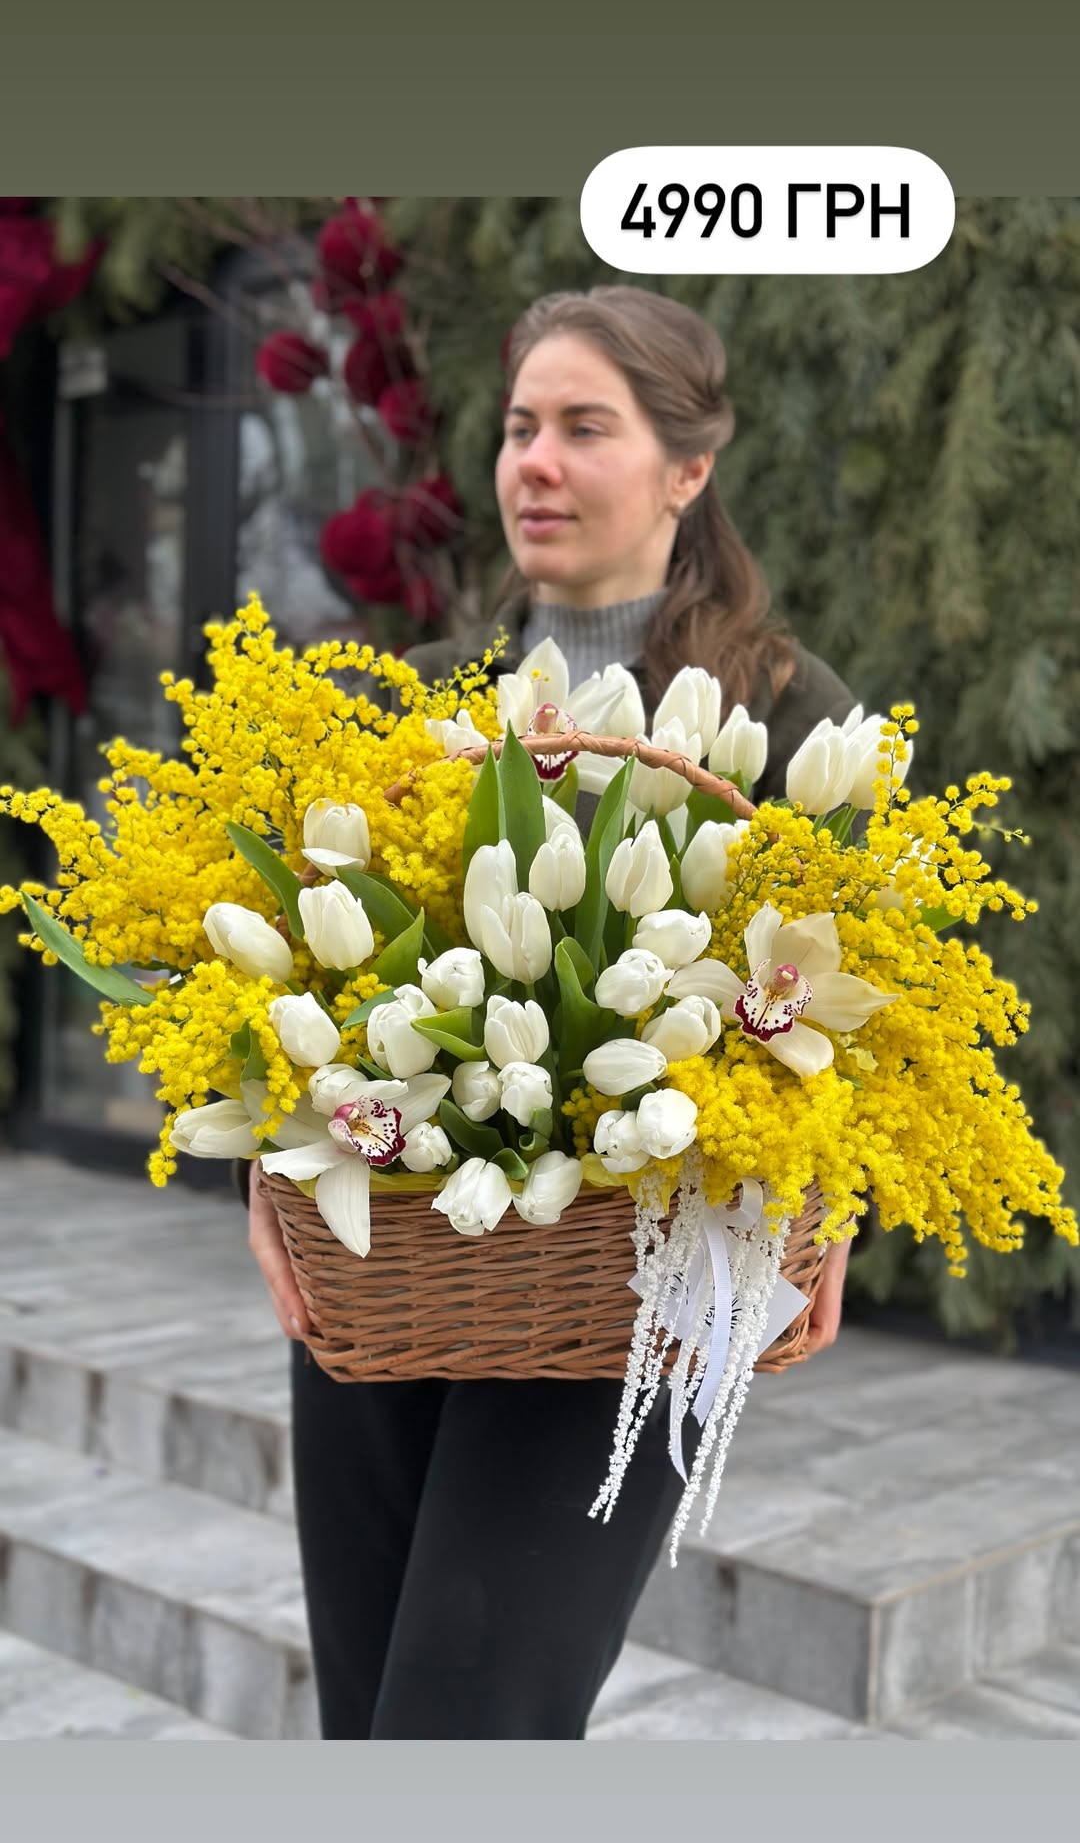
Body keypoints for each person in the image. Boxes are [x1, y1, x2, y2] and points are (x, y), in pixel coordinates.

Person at [244, 286, 859, 1740]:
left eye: (586, 428)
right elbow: (299, 986)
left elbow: (863, 1011)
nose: (535, 461)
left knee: (467, 1720)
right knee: (367, 1721)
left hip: (626, 1297)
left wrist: (842, 1191)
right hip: (395, 1271)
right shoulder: (429, 710)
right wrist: (264, 1173)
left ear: (688, 469)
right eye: (523, 427)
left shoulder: (781, 712)